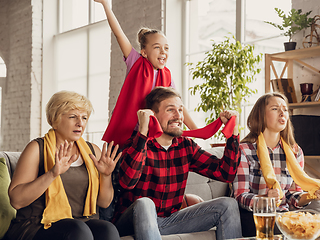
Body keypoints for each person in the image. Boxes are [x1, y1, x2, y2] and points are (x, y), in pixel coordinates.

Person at [112, 86, 242, 240]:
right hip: (131, 220)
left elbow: (225, 173)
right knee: (145, 204)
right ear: (153, 115)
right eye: (170, 110)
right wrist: (143, 132)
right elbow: (127, 182)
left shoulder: (185, 145)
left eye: (180, 110)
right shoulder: (137, 144)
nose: (178, 116)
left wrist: (232, 135)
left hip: (168, 221)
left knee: (228, 205)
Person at [6, 91, 121, 240]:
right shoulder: (36, 148)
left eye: (84, 117)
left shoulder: (93, 151)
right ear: (55, 119)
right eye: (73, 117)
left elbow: (104, 203)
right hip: (37, 225)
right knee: (78, 230)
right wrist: (52, 174)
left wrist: (106, 176)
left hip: (80, 223)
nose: (80, 123)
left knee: (107, 230)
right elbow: (16, 201)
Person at [95, 0, 197, 149]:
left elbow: (179, 106)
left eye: (166, 48)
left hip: (152, 136)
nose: (163, 51)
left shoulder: (167, 76)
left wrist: (195, 131)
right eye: (157, 47)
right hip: (129, 133)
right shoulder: (136, 62)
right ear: (144, 52)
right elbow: (118, 34)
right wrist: (105, 5)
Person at [232, 92, 320, 237]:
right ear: (261, 115)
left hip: (284, 215)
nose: (282, 113)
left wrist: (312, 195)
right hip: (254, 217)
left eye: (285, 109)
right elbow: (239, 196)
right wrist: (264, 199)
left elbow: (291, 195)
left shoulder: (295, 152)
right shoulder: (244, 150)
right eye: (275, 108)